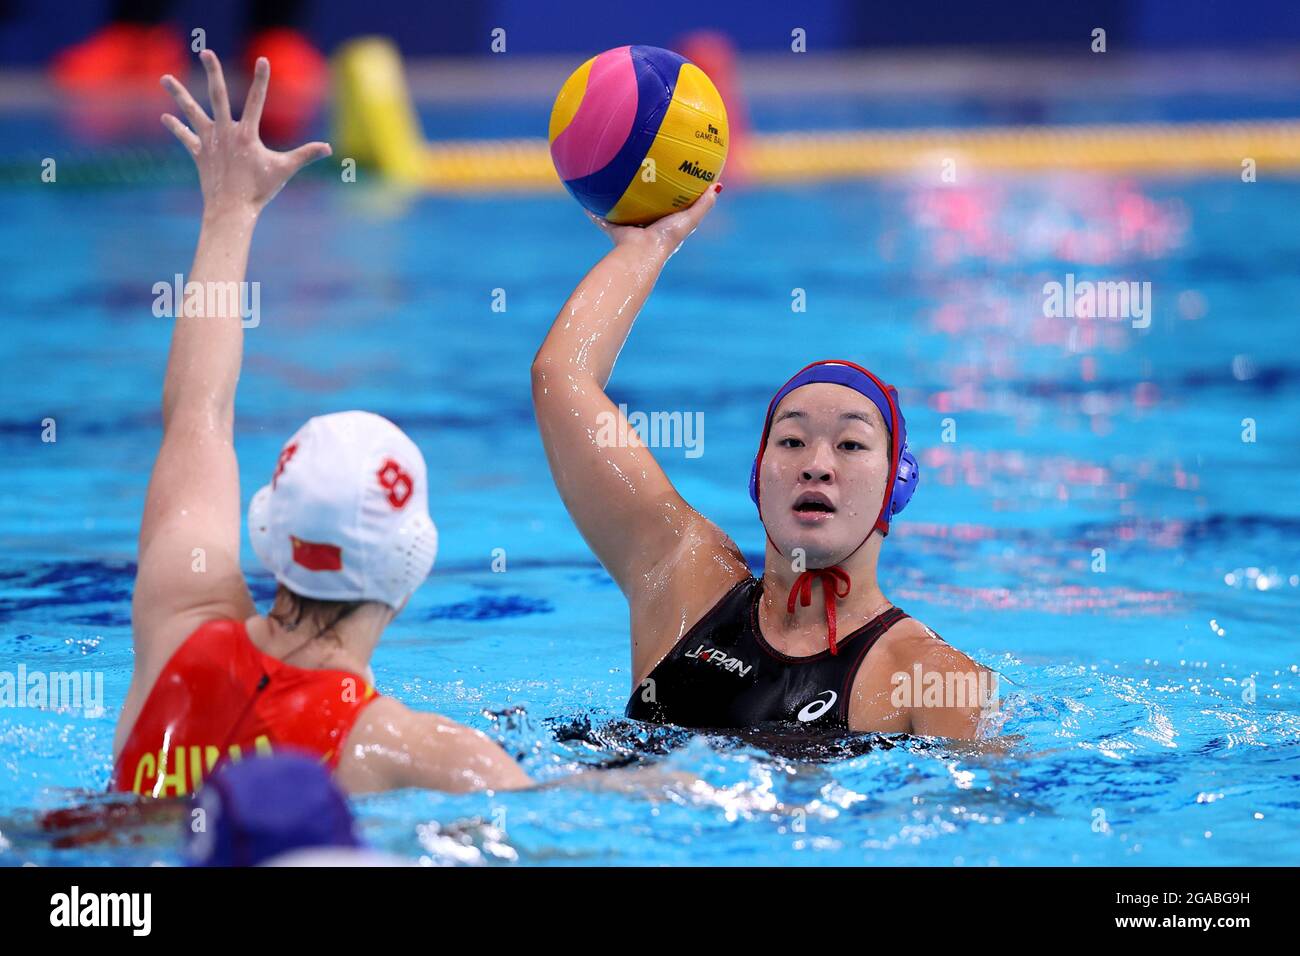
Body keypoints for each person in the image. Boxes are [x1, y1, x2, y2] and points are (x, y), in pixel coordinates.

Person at [111, 50, 531, 799]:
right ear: (414, 567)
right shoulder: (412, 750)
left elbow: (196, 417)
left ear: (269, 533)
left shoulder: (177, 616)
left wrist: (229, 211)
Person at [532, 184, 994, 740]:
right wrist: (646, 249)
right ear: (757, 476)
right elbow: (562, 380)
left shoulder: (931, 678)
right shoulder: (684, 579)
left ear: (897, 485)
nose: (817, 464)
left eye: (851, 445)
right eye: (792, 441)